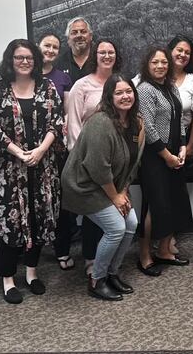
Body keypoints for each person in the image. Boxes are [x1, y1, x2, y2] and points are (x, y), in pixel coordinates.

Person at [0, 39, 63, 304]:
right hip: (10, 170)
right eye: (19, 57)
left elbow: (57, 122)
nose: (25, 62)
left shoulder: (47, 87)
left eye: (29, 57)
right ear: (10, 60)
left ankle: (31, 272)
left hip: (43, 167)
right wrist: (17, 152)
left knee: (38, 219)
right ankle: (7, 279)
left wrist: (40, 150)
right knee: (10, 222)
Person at [61, 74, 144, 301]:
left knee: (131, 224)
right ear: (109, 96)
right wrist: (116, 197)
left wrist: (123, 191)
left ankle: (111, 273)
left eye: (128, 91)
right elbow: (97, 168)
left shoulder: (136, 122)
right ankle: (97, 279)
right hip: (84, 186)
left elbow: (134, 162)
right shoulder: (100, 122)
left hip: (112, 186)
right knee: (116, 228)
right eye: (119, 93)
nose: (125, 96)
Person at [66, 39, 123, 275]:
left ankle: (108, 259)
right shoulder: (81, 85)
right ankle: (91, 259)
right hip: (88, 160)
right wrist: (82, 157)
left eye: (111, 52)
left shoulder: (120, 83)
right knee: (94, 212)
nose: (107, 56)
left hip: (115, 159)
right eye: (102, 52)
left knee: (111, 210)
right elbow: (73, 123)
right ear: (95, 56)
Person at [136, 48, 192, 276]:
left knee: (173, 202)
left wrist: (182, 146)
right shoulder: (145, 89)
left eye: (163, 62)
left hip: (174, 154)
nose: (160, 66)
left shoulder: (171, 87)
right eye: (154, 62)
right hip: (155, 157)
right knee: (154, 205)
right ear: (147, 65)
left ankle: (164, 251)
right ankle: (144, 255)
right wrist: (167, 156)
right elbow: (148, 127)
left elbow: (180, 120)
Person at [37, 32, 77, 272]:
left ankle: (62, 249)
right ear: (38, 47)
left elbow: (68, 113)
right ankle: (25, 247)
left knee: (61, 200)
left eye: (55, 47)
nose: (50, 50)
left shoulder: (63, 78)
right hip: (31, 148)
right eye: (46, 46)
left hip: (58, 148)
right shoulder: (26, 75)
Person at [168, 35, 193, 166]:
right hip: (155, 140)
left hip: (182, 140)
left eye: (187, 52)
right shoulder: (156, 75)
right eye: (179, 50)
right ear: (170, 51)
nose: (183, 55)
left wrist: (191, 145)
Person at [56, 17, 94, 85]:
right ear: (68, 39)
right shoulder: (59, 64)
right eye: (74, 33)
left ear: (91, 36)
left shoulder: (100, 58)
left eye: (83, 32)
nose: (79, 35)